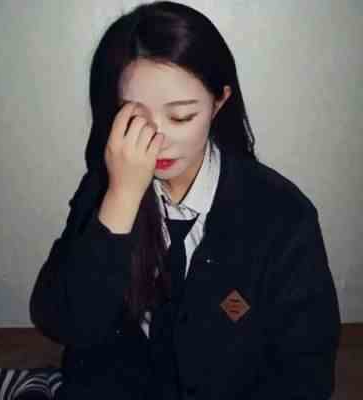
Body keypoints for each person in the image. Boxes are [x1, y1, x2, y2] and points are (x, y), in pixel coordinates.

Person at [29, 1, 341, 399]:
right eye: (135, 117)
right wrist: (122, 199)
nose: (158, 140)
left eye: (180, 117)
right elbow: (61, 321)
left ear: (219, 101)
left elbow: (306, 371)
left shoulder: (283, 215)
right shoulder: (105, 185)